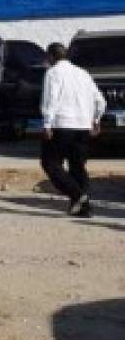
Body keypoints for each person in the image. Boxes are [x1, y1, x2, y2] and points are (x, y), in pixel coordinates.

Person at [40, 42, 106, 217]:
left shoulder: (53, 73)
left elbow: (51, 99)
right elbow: (100, 100)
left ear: (51, 56)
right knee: (77, 166)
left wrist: (47, 124)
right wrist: (96, 119)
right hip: (83, 126)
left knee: (50, 163)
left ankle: (78, 195)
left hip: (61, 124)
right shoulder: (83, 73)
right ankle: (83, 208)